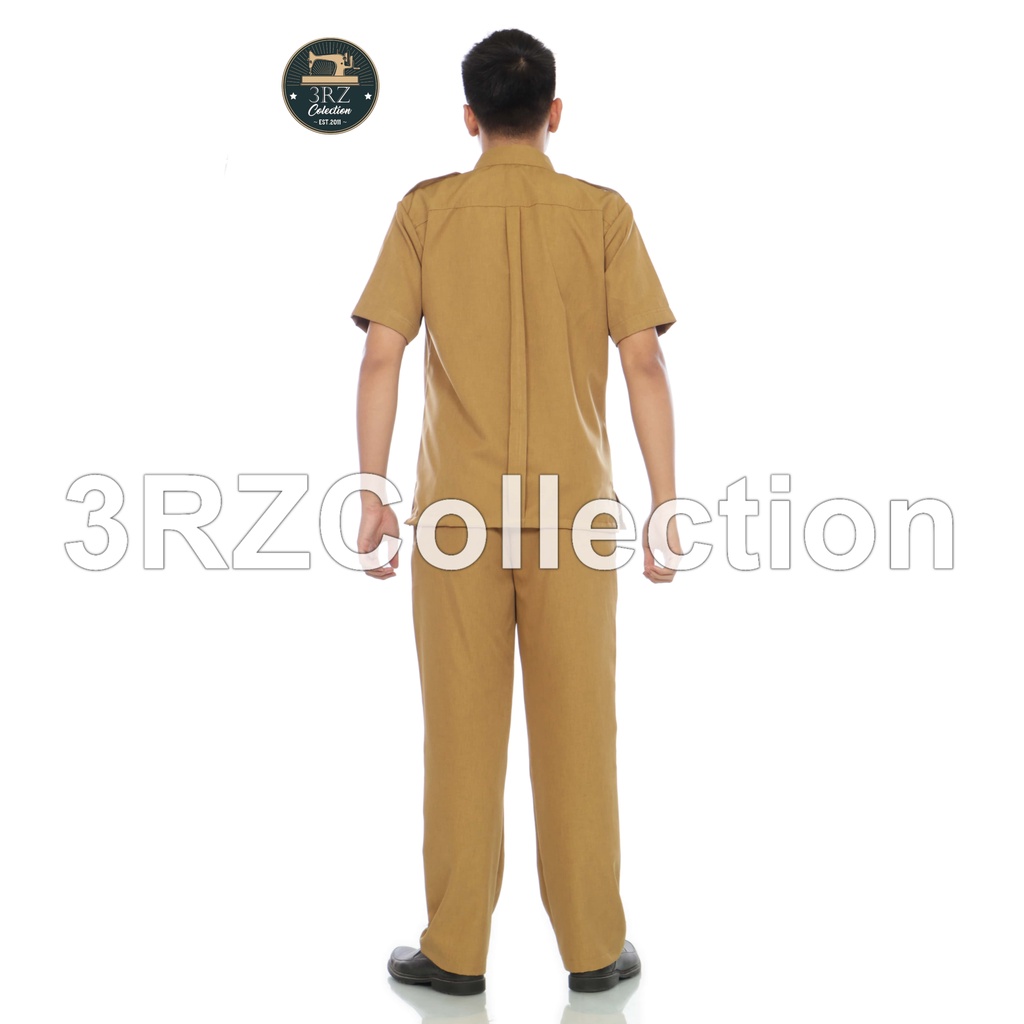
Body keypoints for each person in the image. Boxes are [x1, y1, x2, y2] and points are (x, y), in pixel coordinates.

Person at [351, 27, 680, 996]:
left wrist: (371, 490)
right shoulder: (603, 215)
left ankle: (454, 951)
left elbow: (380, 353)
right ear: (554, 114)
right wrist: (665, 503)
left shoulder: (424, 212)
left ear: (469, 117)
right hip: (576, 521)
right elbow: (645, 361)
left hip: (455, 521)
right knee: (580, 736)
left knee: (459, 736)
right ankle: (593, 950)